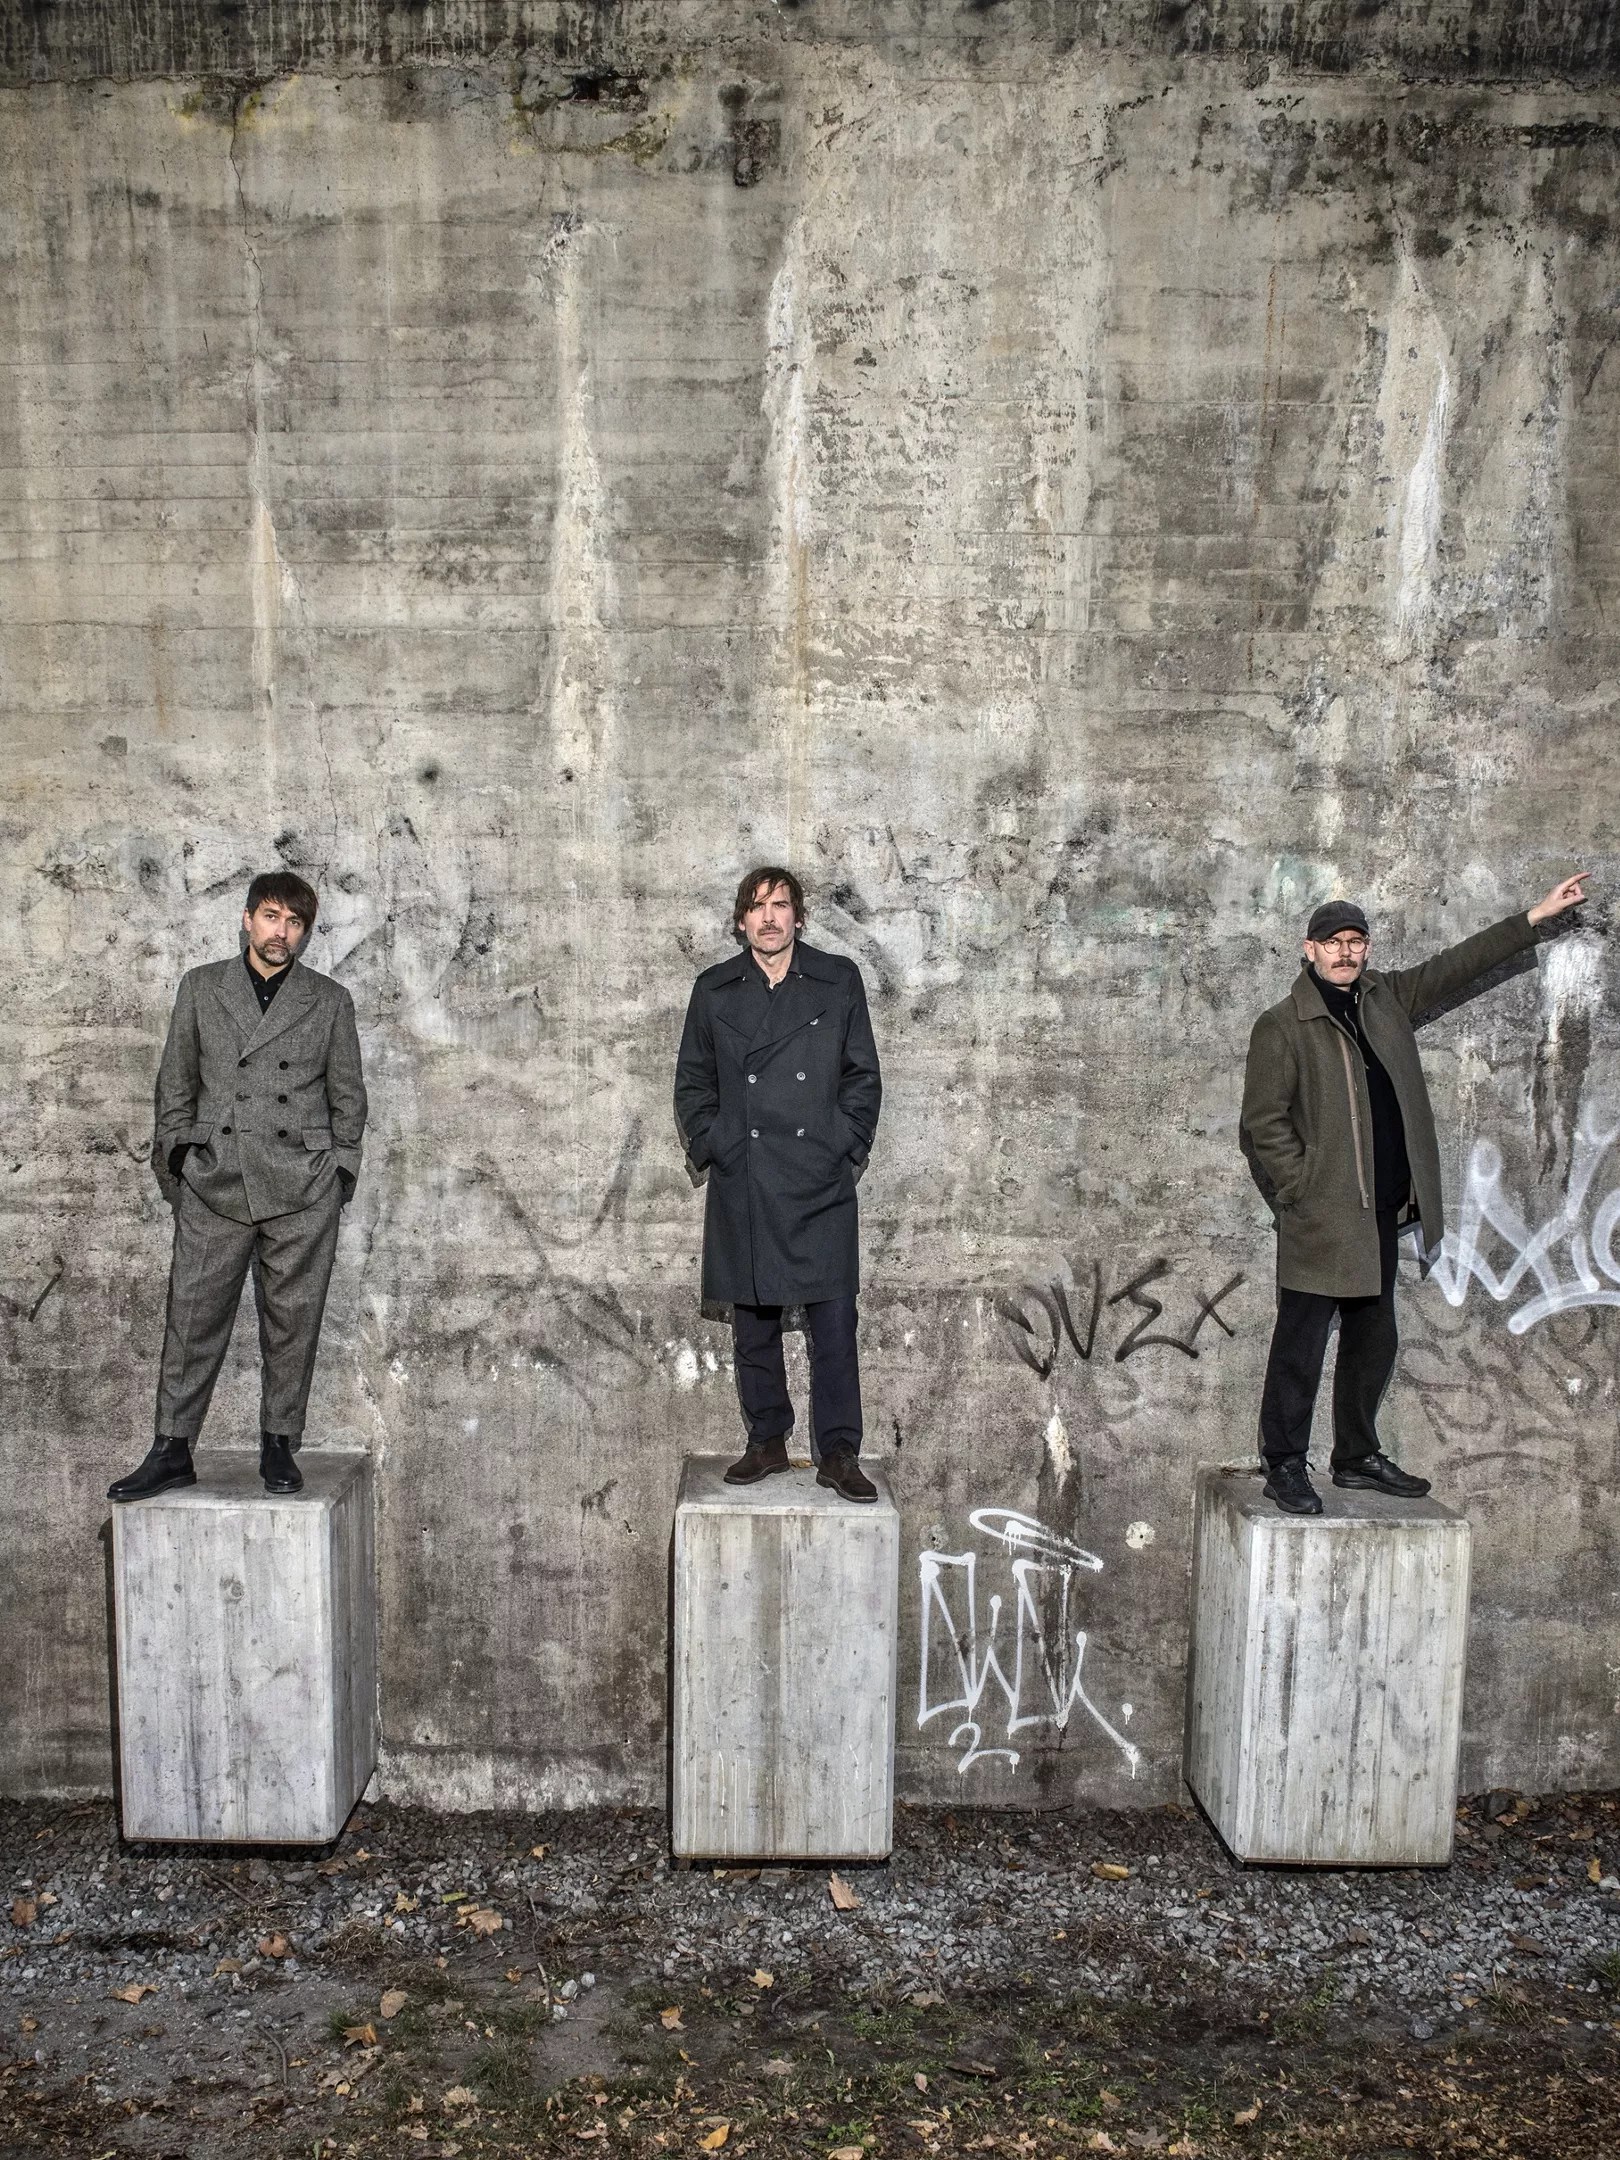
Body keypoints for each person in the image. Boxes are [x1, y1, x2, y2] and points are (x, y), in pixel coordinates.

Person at [1240, 873, 1590, 1515]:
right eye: (1332, 942)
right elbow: (1262, 1125)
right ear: (1308, 949)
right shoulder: (1283, 1026)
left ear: (1366, 949)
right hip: (1322, 1217)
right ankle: (1285, 1465)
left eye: (1355, 941)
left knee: (1374, 1339)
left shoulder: (1386, 998)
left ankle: (1355, 1457)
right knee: (1301, 1346)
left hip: (1381, 1213)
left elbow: (1459, 965)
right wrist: (1302, 1191)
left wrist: (1534, 917)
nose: (1345, 952)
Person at [108, 872, 368, 1502]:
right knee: (192, 1318)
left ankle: (279, 1443)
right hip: (215, 1179)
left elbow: (348, 1099)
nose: (282, 933)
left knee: (292, 1324)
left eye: (296, 923)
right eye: (273, 917)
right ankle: (172, 1449)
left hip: (301, 1189)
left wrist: (337, 1174)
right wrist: (180, 1158)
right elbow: (175, 1084)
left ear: (304, 933)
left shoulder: (328, 999)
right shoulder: (201, 987)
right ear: (248, 918)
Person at [674, 867, 883, 1501]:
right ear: (741, 921)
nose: (770, 917)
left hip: (818, 1180)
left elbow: (862, 1079)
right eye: (757, 907)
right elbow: (692, 1085)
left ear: (799, 918)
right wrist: (717, 1146)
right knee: (754, 1321)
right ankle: (767, 1441)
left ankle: (839, 1452)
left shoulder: (837, 979)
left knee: (834, 1323)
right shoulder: (714, 990)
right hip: (748, 1177)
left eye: (781, 905)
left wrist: (840, 1146)